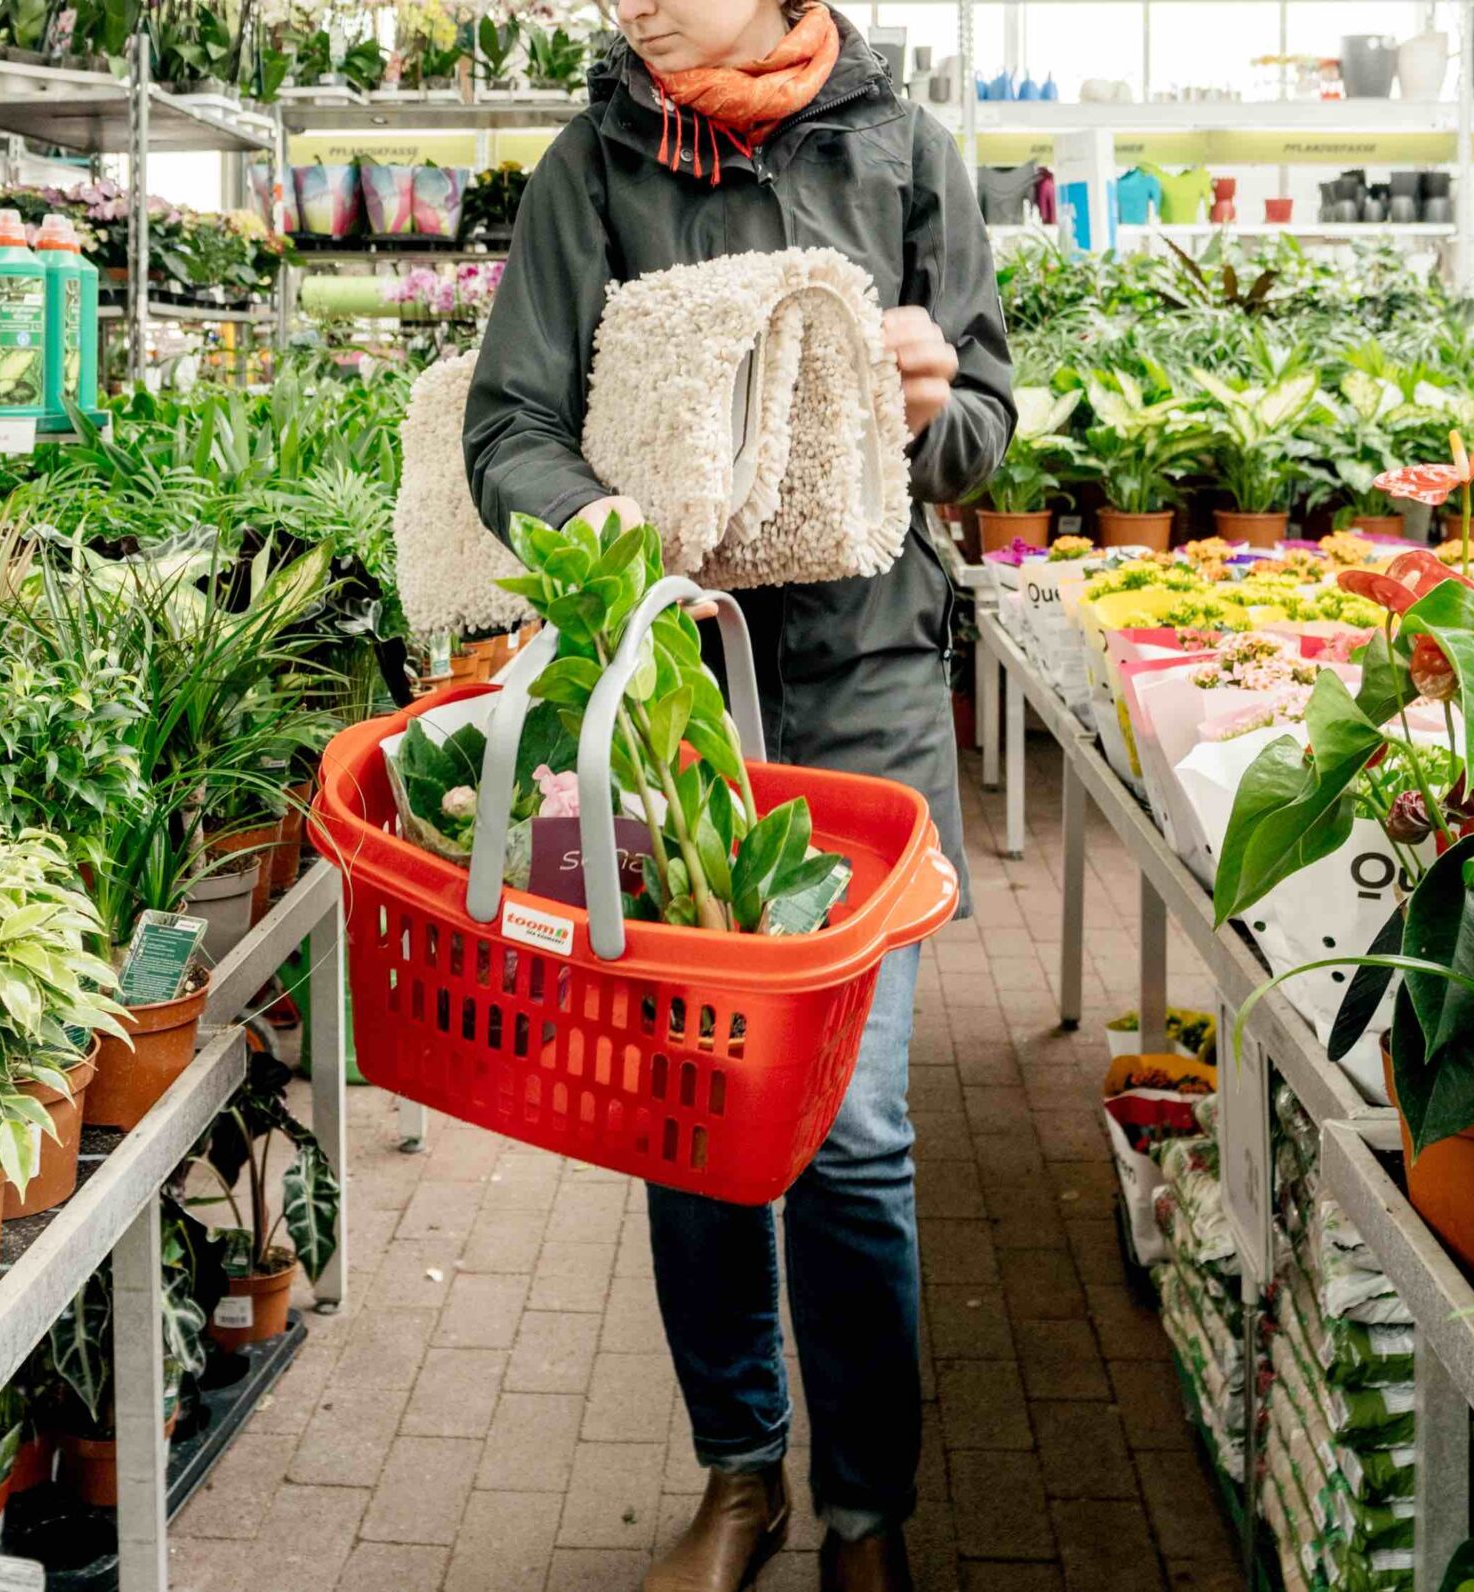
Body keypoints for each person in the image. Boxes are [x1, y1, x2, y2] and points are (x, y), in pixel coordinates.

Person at [461, 3, 1010, 1588]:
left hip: (867, 698)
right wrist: (627, 539)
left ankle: (868, 1508)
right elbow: (511, 425)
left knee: (850, 1131)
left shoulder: (904, 153)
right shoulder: (598, 163)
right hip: (664, 706)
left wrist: (928, 409)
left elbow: (985, 420)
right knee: (688, 1118)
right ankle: (738, 1476)